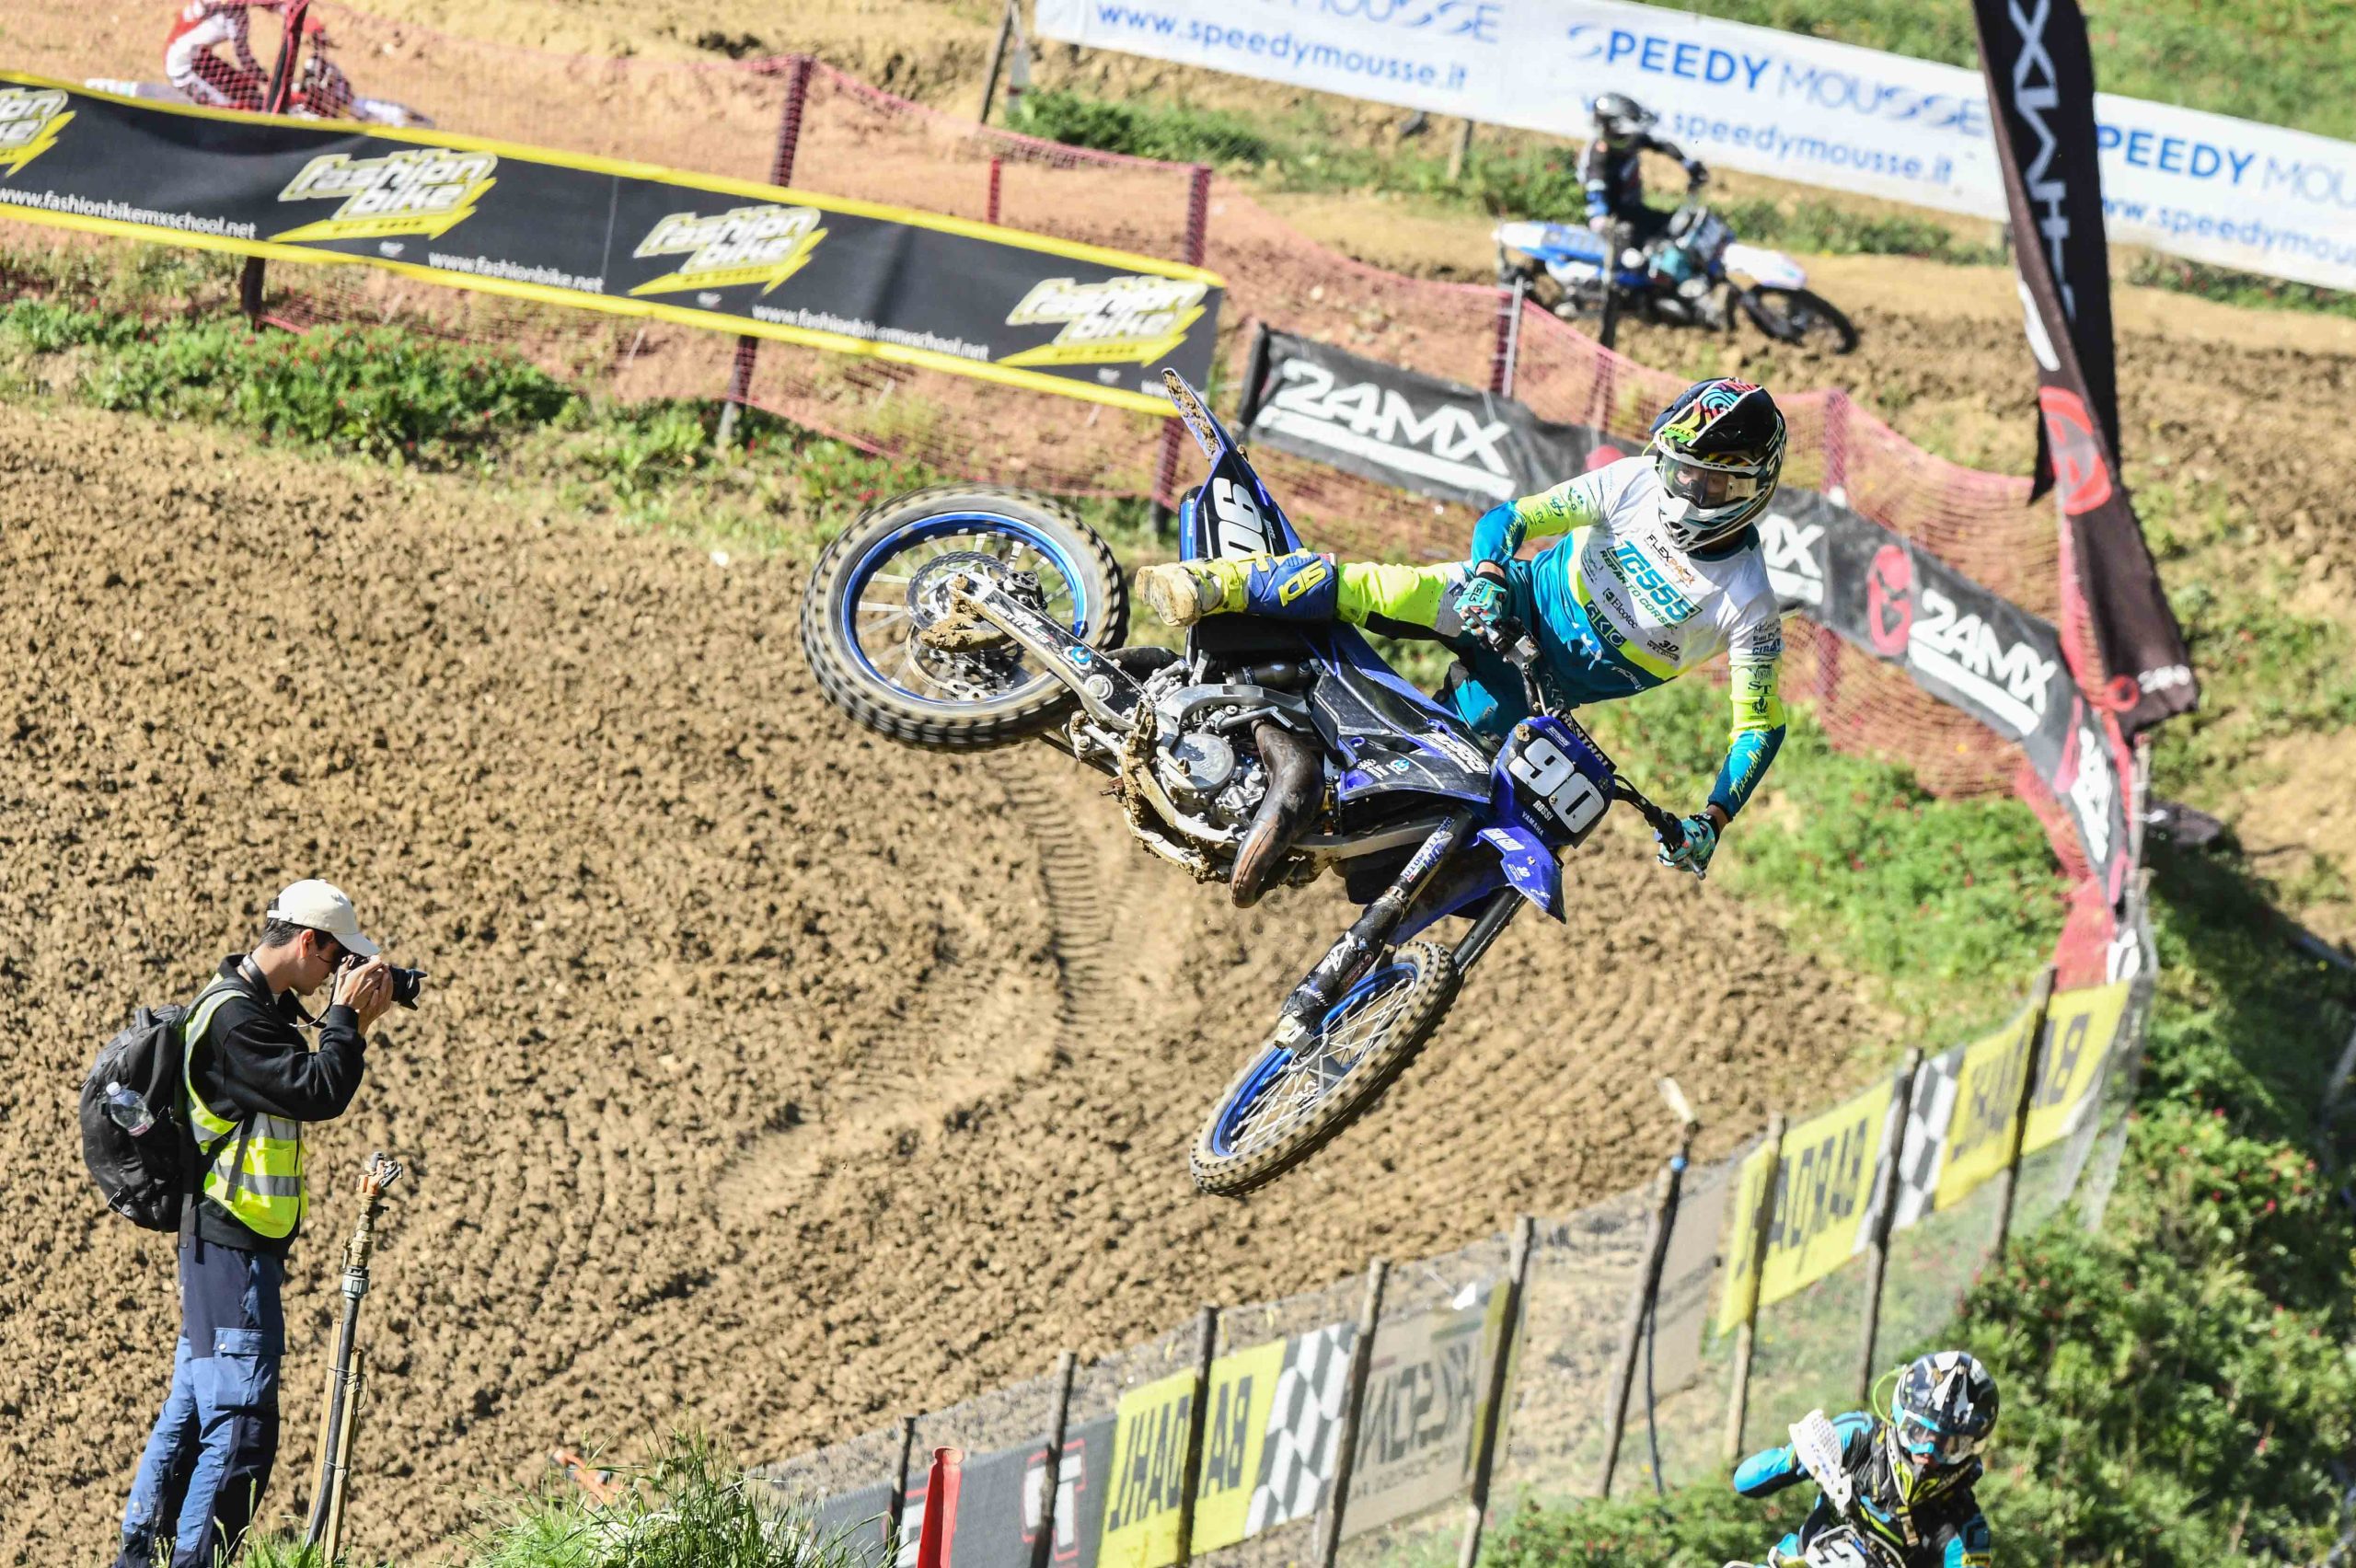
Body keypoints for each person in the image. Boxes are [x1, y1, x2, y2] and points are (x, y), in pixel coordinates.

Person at [1137, 376, 1789, 904]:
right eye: (1681, 470)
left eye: (1711, 482)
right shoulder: (1633, 481)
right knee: (1384, 588)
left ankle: (1296, 805)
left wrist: (1713, 819)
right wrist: (1489, 576)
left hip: (1528, 694)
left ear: (1753, 489)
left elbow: (1758, 728)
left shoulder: (1749, 603)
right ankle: (1214, 583)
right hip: (1504, 603)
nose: (1688, 491)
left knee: (1422, 795)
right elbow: (1512, 518)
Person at [116, 880, 394, 1568]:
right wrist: (344, 1021)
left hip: (222, 1241)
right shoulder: (236, 1020)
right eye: (336, 958)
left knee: (192, 1416)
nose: (338, 973)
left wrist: (346, 1020)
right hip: (232, 1241)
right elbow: (318, 1090)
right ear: (309, 941)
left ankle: (140, 1557)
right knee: (241, 1428)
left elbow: (301, 1077)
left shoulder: (246, 1008)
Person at [1730, 1351, 1999, 1568]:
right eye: (1918, 1432)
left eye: (1948, 1445)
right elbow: (1745, 1480)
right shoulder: (1858, 1435)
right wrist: (1796, 1457)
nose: (1928, 1451)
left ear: (1970, 1447)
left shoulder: (1967, 1529)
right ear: (1900, 1417)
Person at [1580, 92, 1707, 251]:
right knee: (1657, 249)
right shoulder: (1599, 157)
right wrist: (1601, 222)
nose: (1633, 136)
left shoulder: (1631, 141)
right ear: (1614, 127)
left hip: (1635, 210)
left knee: (1681, 226)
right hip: (1617, 224)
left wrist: (1689, 165)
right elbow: (1595, 195)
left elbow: (1662, 146)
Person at [163, 0, 289, 111]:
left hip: (198, 60)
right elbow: (244, 60)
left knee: (250, 90)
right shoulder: (233, 12)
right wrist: (274, 83)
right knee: (238, 108)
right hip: (182, 70)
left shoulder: (223, 6)